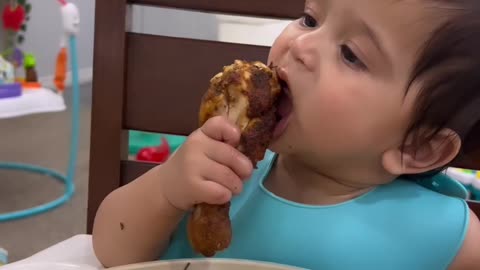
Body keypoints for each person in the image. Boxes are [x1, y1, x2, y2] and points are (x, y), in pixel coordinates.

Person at [91, 0, 480, 269]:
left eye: (350, 54)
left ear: (420, 146)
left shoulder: (440, 230)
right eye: (310, 19)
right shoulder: (212, 172)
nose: (302, 45)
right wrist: (165, 191)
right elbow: (111, 251)